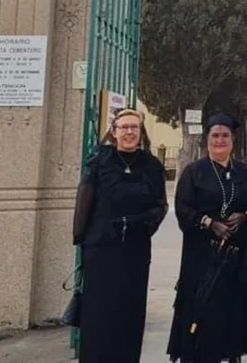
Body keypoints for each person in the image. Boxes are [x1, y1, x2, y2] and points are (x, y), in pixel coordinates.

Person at [167, 113, 247, 363]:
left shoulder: (245, 173)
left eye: (225, 136)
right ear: (207, 139)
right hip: (202, 259)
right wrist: (209, 223)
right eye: (215, 136)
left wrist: (245, 216)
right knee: (203, 320)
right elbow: (183, 210)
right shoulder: (194, 172)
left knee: (233, 318)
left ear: (232, 140)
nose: (220, 140)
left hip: (237, 259)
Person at [71, 108, 168, 363]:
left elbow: (161, 204)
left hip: (135, 250)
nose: (129, 132)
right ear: (114, 132)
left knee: (129, 314)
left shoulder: (151, 165)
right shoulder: (99, 162)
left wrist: (143, 224)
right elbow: (84, 200)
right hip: (102, 248)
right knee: (99, 316)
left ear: (141, 132)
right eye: (123, 127)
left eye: (134, 128)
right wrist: (81, 237)